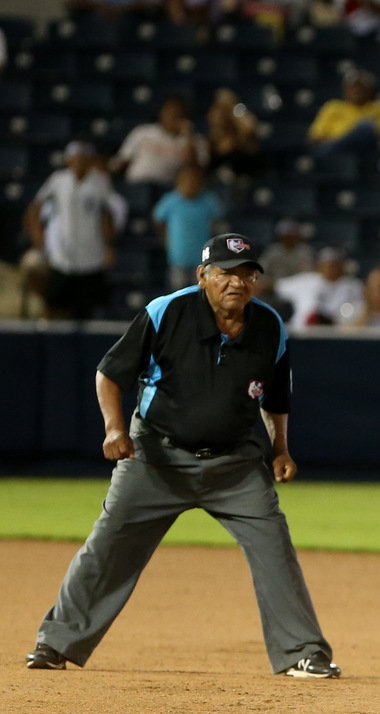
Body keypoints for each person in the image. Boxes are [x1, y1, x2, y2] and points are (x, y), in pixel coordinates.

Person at [25, 233, 341, 679]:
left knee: (274, 547)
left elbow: (275, 398)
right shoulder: (166, 312)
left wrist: (280, 448)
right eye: (225, 273)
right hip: (157, 456)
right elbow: (109, 374)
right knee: (108, 545)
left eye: (246, 273)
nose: (236, 282)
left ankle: (303, 652)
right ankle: (55, 643)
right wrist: (114, 428)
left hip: (235, 465)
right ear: (202, 276)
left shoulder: (269, 326)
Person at [23, 140, 117, 320]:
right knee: (53, 305)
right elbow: (35, 208)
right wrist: (37, 236)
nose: (80, 162)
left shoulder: (100, 182)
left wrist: (110, 247)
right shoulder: (58, 180)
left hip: (91, 255)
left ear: (90, 160)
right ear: (68, 160)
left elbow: (107, 215)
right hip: (61, 255)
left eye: (84, 158)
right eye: (76, 158)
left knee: (88, 310)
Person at [111, 96, 210, 189]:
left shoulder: (197, 141)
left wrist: (187, 136)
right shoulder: (143, 132)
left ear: (185, 116)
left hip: (167, 189)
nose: (172, 117)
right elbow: (122, 160)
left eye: (177, 114)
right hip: (135, 186)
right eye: (169, 112)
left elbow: (196, 171)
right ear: (161, 113)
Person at [153, 164, 225, 290]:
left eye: (194, 180)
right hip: (178, 256)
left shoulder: (208, 200)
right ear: (179, 182)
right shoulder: (170, 200)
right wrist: (166, 240)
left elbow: (218, 221)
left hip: (202, 257)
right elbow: (158, 220)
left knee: (201, 291)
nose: (191, 184)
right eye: (187, 180)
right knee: (177, 292)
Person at [308, 69, 380, 156]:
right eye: (353, 87)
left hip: (369, 152)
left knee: (366, 128)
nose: (356, 91)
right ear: (345, 89)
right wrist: (342, 140)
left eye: (361, 87)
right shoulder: (333, 106)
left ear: (370, 90)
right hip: (337, 152)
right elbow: (314, 137)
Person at [274, 245, 364, 329]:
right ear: (320, 265)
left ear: (342, 266)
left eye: (335, 264)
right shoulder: (306, 280)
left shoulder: (354, 285)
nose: (331, 268)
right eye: (327, 264)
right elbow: (276, 286)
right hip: (302, 333)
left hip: (337, 333)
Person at [207, 88, 260, 187]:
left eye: (228, 107)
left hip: (244, 179)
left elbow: (249, 128)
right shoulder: (215, 133)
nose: (225, 112)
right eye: (222, 107)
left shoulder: (242, 132)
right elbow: (221, 148)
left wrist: (236, 114)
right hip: (216, 181)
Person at [258, 218, 315, 284]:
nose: (291, 238)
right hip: (276, 284)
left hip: (300, 285)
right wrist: (270, 281)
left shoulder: (306, 251)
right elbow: (260, 271)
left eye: (293, 235)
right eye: (288, 236)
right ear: (282, 236)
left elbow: (312, 274)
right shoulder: (272, 251)